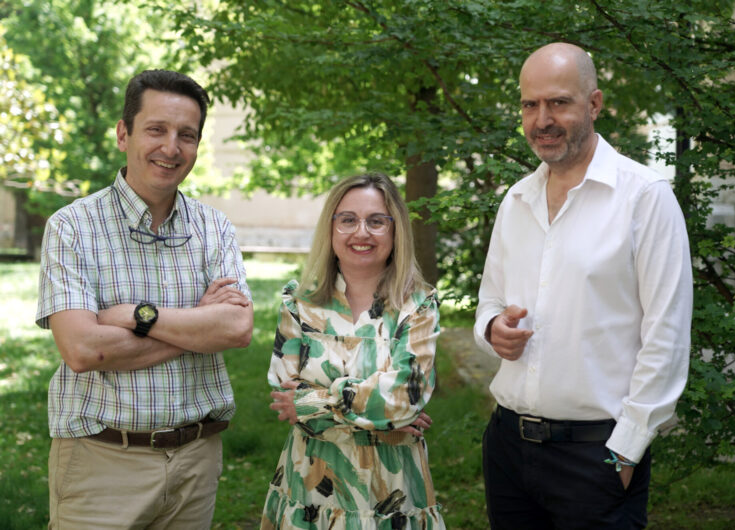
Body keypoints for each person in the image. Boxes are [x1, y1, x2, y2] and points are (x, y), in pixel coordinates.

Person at [474, 43, 693, 529]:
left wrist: (626, 454)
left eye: (559, 103)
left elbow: (668, 339)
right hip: (508, 448)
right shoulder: (516, 199)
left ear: (593, 104)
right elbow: (489, 299)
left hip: (599, 457)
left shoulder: (645, 199)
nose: (542, 119)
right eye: (530, 105)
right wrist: (492, 329)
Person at [36, 69, 254, 529]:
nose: (171, 148)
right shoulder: (72, 227)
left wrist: (137, 318)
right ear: (123, 133)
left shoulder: (215, 228)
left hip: (197, 461)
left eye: (186, 135)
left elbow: (236, 329)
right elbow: (84, 350)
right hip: (103, 464)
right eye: (156, 129)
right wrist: (199, 325)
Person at [260, 173, 446, 529]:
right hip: (311, 485)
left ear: (396, 231)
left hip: (391, 491)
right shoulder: (299, 303)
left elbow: (404, 399)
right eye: (348, 220)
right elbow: (285, 392)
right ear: (331, 229)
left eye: (377, 221)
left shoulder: (418, 306)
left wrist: (313, 403)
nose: (362, 232)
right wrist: (384, 416)